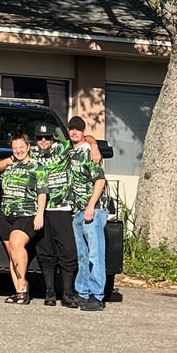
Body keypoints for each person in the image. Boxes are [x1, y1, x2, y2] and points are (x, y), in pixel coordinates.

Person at [0, 132, 42, 304]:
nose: (18, 151)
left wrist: (40, 214)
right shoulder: (9, 165)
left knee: (17, 244)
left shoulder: (36, 166)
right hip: (6, 214)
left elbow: (42, 192)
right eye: (15, 148)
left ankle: (23, 285)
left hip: (26, 214)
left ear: (28, 147)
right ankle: (19, 292)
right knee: (12, 253)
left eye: (21, 147)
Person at [31, 125, 78, 307]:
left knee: (67, 251)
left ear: (53, 139)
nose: (44, 141)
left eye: (47, 138)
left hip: (62, 208)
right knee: (46, 251)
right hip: (40, 210)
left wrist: (95, 146)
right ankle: (49, 292)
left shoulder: (62, 148)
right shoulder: (30, 153)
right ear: (35, 139)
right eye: (40, 138)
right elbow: (12, 158)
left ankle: (67, 293)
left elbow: (85, 140)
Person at [68, 115, 109, 311]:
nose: (74, 132)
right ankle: (82, 293)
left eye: (78, 129)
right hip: (77, 211)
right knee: (82, 256)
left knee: (95, 254)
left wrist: (91, 206)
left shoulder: (88, 153)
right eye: (71, 129)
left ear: (84, 131)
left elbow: (100, 181)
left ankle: (97, 296)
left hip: (92, 210)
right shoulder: (70, 152)